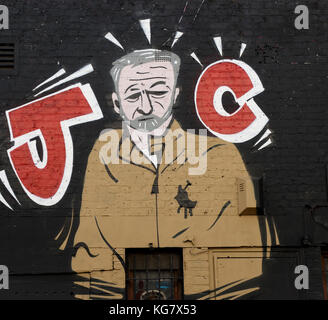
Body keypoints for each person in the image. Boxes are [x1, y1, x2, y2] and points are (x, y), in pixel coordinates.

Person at [62, 49, 276, 299]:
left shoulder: (219, 155)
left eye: (158, 91)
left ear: (175, 95)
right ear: (117, 103)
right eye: (133, 95)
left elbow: (244, 261)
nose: (146, 106)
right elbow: (89, 252)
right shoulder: (103, 156)